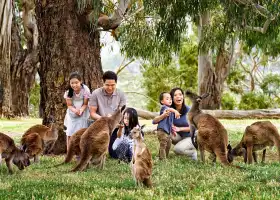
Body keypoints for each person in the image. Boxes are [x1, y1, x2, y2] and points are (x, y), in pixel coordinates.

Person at [88, 71, 126, 158]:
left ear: (116, 83)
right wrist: (104, 119)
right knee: (96, 152)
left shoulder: (121, 94)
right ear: (103, 82)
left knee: (114, 154)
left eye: (112, 85)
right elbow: (92, 113)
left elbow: (121, 113)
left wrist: (113, 120)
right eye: (107, 85)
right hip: (99, 125)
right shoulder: (95, 93)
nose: (109, 87)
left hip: (114, 126)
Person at [153, 87, 197, 160]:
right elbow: (154, 121)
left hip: (191, 137)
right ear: (171, 98)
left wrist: (180, 129)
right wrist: (162, 119)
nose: (178, 97)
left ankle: (193, 153)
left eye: (180, 94)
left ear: (183, 96)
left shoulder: (189, 110)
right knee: (164, 133)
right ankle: (161, 155)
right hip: (178, 137)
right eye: (175, 95)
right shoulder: (168, 109)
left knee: (177, 149)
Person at [64, 72, 90, 151]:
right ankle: (69, 152)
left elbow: (85, 104)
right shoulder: (68, 92)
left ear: (80, 81)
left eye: (76, 83)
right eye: (72, 83)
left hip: (83, 111)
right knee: (70, 132)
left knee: (82, 131)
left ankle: (81, 151)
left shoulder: (85, 90)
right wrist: (75, 111)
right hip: (72, 112)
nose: (74, 85)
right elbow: (69, 105)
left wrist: (81, 110)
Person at [154, 92, 180, 160]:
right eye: (167, 98)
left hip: (167, 131)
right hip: (162, 131)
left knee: (168, 144)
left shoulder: (170, 110)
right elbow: (169, 109)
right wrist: (175, 111)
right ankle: (163, 159)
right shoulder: (164, 108)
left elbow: (170, 122)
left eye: (170, 98)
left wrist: (172, 129)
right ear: (162, 101)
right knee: (163, 145)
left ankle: (162, 156)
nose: (170, 100)